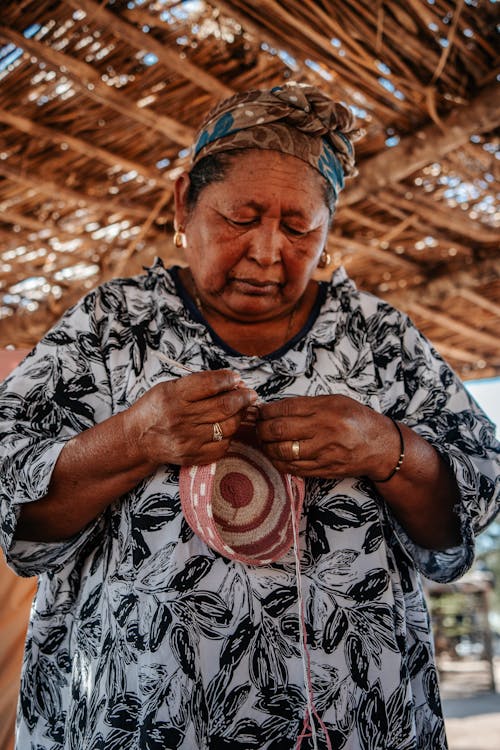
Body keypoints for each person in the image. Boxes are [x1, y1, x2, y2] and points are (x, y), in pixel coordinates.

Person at [0, 81, 498, 750]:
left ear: (326, 232)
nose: (268, 251)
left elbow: (471, 498)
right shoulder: (112, 326)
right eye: (240, 217)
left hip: (352, 725)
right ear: (185, 203)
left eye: (298, 227)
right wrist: (132, 438)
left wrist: (387, 448)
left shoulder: (379, 339)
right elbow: (12, 489)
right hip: (141, 722)